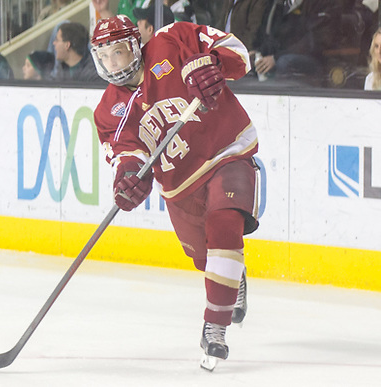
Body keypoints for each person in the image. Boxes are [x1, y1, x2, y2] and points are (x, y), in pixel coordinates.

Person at [90, 15, 258, 368]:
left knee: (225, 225)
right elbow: (127, 154)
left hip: (227, 152)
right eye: (104, 57)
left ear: (136, 46)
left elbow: (238, 54)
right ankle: (233, 275)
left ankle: (215, 328)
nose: (112, 64)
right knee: (206, 258)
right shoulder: (108, 111)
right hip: (180, 186)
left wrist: (214, 65)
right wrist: (129, 178)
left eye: (118, 53)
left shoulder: (173, 39)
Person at [254, 0, 340, 84]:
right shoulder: (280, 3)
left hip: (317, 60)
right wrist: (259, 52)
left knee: (284, 62)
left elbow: (313, 42)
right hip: (283, 55)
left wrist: (275, 58)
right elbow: (275, 35)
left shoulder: (323, 3)